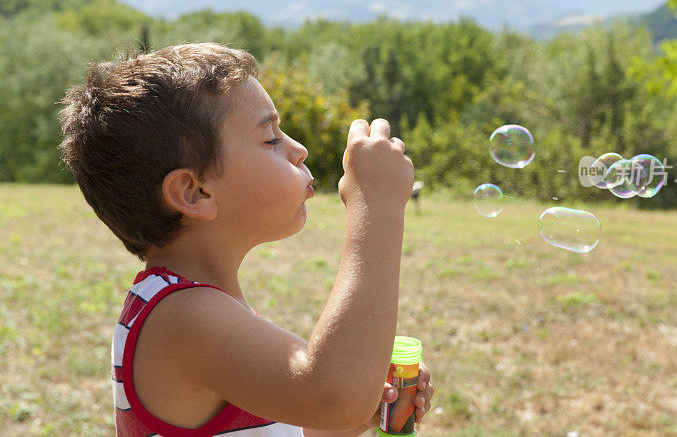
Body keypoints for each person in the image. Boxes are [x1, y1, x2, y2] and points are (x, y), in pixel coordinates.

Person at [58, 43, 434, 436]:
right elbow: (333, 395)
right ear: (194, 192)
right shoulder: (182, 316)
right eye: (271, 138)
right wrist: (376, 206)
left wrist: (364, 403)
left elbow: (305, 417)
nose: (299, 149)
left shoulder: (202, 306)